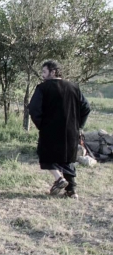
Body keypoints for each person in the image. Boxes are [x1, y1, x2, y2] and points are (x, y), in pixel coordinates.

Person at [29, 60, 91, 199]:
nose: (43, 75)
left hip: (50, 130)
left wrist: (41, 124)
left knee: (45, 155)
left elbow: (33, 109)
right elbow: (86, 108)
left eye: (45, 72)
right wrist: (78, 125)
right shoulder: (74, 87)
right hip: (71, 131)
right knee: (67, 159)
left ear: (53, 71)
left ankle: (59, 179)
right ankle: (72, 192)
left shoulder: (43, 88)